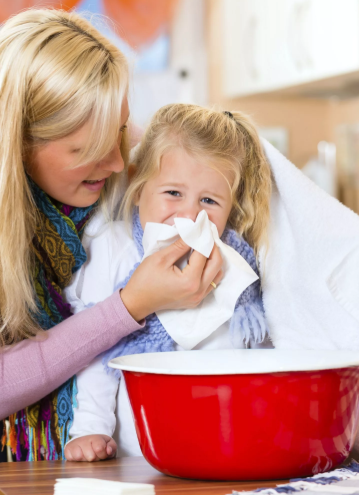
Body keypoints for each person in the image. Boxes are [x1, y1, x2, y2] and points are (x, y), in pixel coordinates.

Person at [0, 11, 222, 495]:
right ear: (19, 139)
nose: (119, 162)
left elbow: (218, 163)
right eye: (89, 150)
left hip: (65, 367)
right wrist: (131, 303)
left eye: (119, 132)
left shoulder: (103, 138)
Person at [55, 104, 273, 461]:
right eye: (173, 193)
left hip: (219, 439)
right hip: (137, 451)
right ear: (138, 188)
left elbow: (252, 346)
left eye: (209, 200)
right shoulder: (113, 247)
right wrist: (91, 427)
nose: (189, 214)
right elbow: (96, 351)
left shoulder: (234, 261)